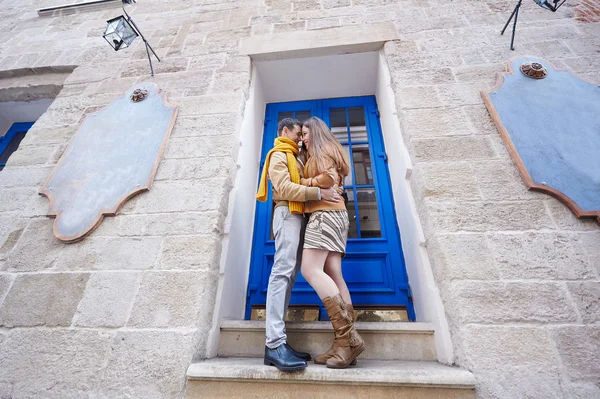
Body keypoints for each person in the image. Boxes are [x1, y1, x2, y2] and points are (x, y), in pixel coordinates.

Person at [256, 117, 342, 372]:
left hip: (300, 216)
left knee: (290, 276)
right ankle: (274, 343)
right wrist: (318, 193)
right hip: (286, 214)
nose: (300, 140)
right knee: (282, 272)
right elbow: (283, 188)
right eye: (297, 135)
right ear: (285, 131)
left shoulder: (296, 156)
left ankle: (279, 341)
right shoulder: (279, 155)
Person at [299, 116, 365, 369]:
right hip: (337, 214)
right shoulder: (332, 150)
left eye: (306, 133)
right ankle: (342, 343)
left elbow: (326, 179)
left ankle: (348, 339)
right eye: (302, 134)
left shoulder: (321, 151)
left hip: (325, 214)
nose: (303, 138)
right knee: (334, 272)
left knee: (310, 269)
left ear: (316, 132)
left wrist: (304, 182)